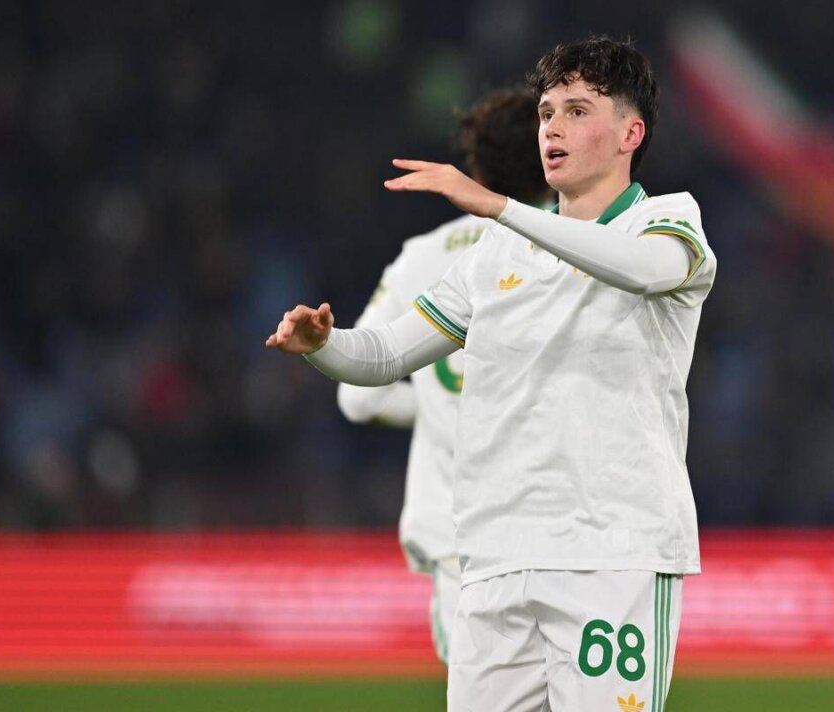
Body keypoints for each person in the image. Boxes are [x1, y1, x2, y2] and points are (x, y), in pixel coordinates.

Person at [267, 35, 716, 712]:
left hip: (611, 555)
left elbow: (642, 270)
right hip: (495, 558)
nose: (553, 127)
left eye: (577, 111)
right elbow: (385, 355)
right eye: (546, 113)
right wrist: (322, 347)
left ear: (631, 133)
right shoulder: (496, 255)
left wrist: (501, 208)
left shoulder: (667, 221)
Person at [335, 87, 553, 665]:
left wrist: (433, 405)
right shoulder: (576, 248)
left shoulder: (421, 255)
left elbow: (357, 398)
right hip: (552, 525)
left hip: (455, 527)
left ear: (476, 171)